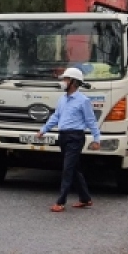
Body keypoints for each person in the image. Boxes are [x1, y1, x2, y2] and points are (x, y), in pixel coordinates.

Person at [34, 67, 101, 213]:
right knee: (74, 169)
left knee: (67, 169)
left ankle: (61, 201)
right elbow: (56, 117)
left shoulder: (83, 101)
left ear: (74, 82)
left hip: (76, 137)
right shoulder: (62, 99)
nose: (63, 82)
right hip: (63, 137)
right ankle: (85, 198)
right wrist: (43, 130)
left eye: (66, 79)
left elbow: (91, 121)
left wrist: (97, 139)